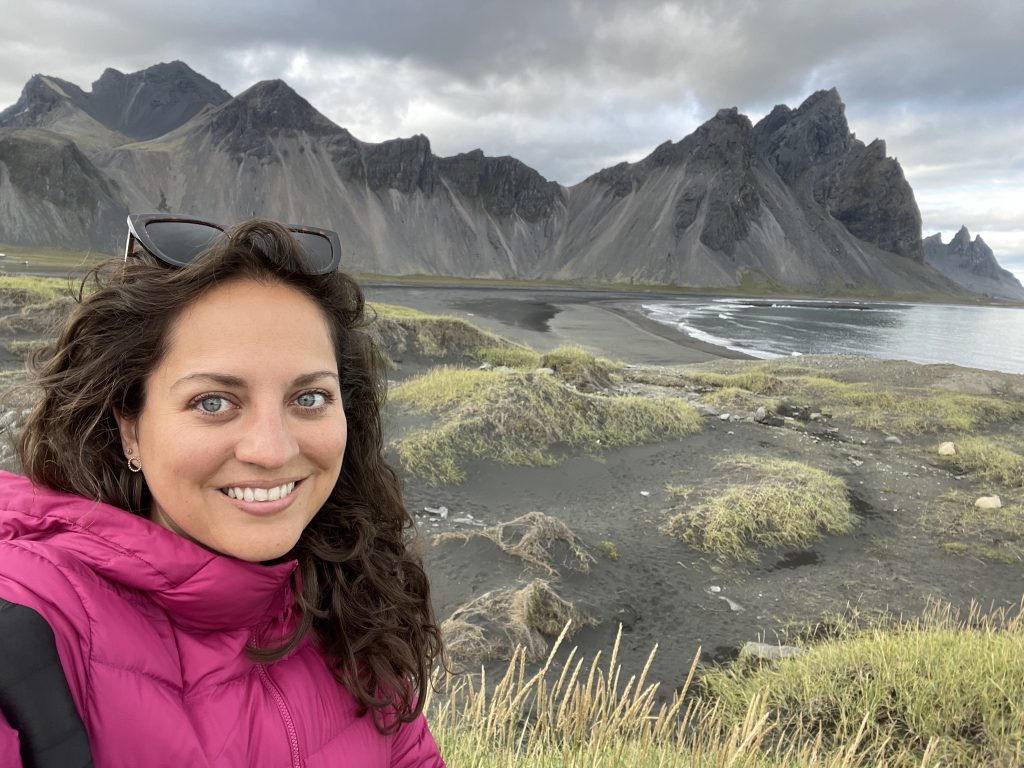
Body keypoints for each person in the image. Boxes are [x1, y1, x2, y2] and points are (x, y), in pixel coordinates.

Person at [0, 215, 446, 766]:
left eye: (309, 399)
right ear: (129, 426)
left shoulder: (355, 600)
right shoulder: (33, 624)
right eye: (214, 402)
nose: (273, 450)